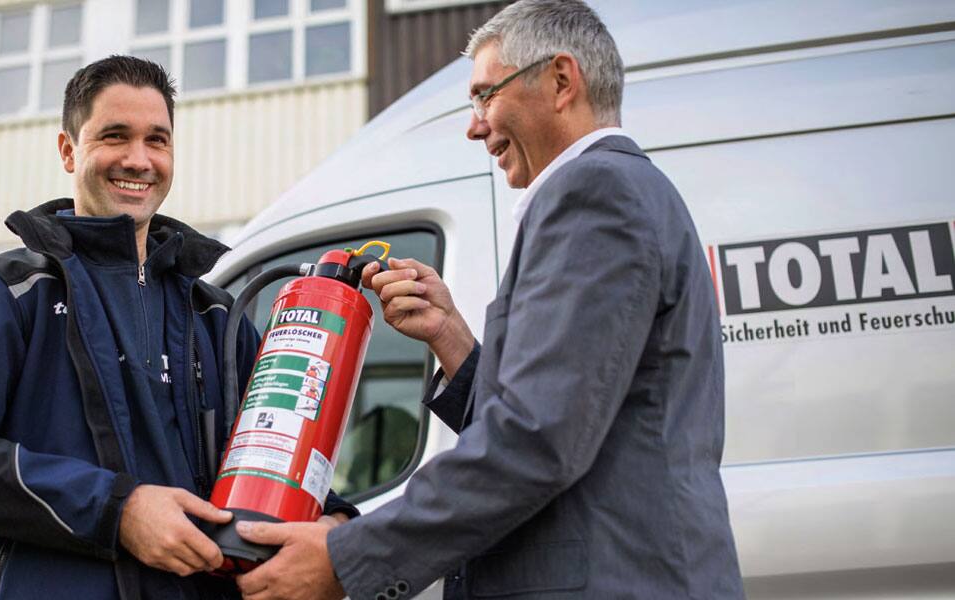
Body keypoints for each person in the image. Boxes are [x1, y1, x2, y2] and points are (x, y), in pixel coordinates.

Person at [233, 1, 744, 598]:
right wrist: (450, 336)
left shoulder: (594, 192)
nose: (474, 126)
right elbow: (566, 411)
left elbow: (536, 438)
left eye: (484, 96)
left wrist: (346, 559)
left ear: (560, 80)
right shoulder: (623, 192)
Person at [0, 56, 355, 600]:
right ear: (67, 150)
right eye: (114, 135)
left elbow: (278, 461)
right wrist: (117, 510)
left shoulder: (217, 316)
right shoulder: (5, 294)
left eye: (158, 139)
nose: (139, 159)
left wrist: (336, 528)